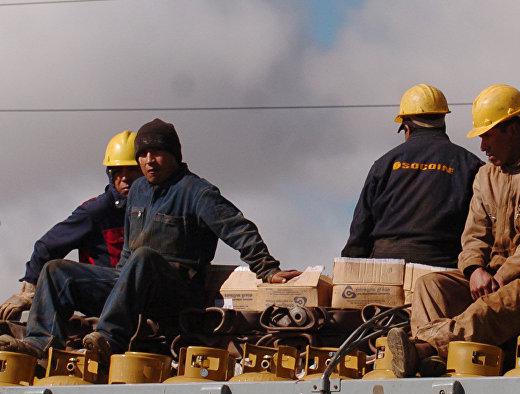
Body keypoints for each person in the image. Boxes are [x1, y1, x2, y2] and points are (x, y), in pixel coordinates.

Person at [0, 119, 299, 362]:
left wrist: (268, 269)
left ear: (174, 155)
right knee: (56, 270)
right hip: (131, 282)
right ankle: (40, 344)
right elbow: (128, 251)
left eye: (156, 153)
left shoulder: (197, 192)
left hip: (176, 292)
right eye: (142, 155)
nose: (148, 161)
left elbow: (237, 227)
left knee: (144, 257)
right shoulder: (139, 190)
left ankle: (107, 339)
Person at [386, 84, 520, 376]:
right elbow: (474, 234)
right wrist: (475, 270)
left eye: (487, 135)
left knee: (488, 308)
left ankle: (423, 348)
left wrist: (501, 276)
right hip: (489, 278)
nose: (482, 147)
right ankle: (428, 356)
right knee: (429, 286)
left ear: (512, 130)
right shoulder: (485, 176)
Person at [0, 131, 142, 322]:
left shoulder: (155, 208)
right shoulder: (97, 210)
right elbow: (48, 246)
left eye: (132, 170)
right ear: (110, 174)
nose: (125, 178)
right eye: (118, 171)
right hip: (106, 295)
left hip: (141, 295)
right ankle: (41, 339)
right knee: (57, 271)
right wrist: (29, 290)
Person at [342, 84, 483, 267]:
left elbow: (361, 228)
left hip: (385, 267)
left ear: (406, 126)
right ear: (443, 121)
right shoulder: (470, 165)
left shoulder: (384, 164)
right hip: (443, 269)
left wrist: (349, 269)